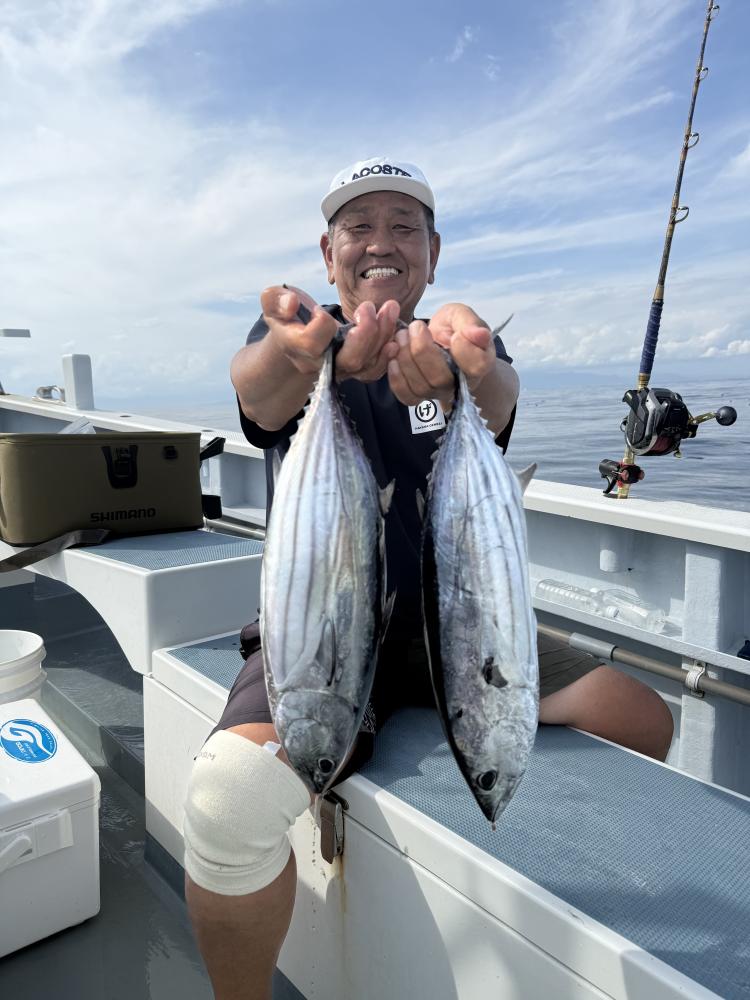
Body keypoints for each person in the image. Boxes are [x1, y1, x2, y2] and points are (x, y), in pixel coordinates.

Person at [183, 157, 674, 1000]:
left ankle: (516, 851)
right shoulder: (300, 342)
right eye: (359, 227)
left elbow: (500, 393)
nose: (382, 241)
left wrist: (473, 360)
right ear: (329, 252)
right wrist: (306, 357)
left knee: (641, 718)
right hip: (326, 634)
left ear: (433, 252)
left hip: (460, 625)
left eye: (404, 226)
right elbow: (257, 392)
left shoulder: (454, 345)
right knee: (228, 797)